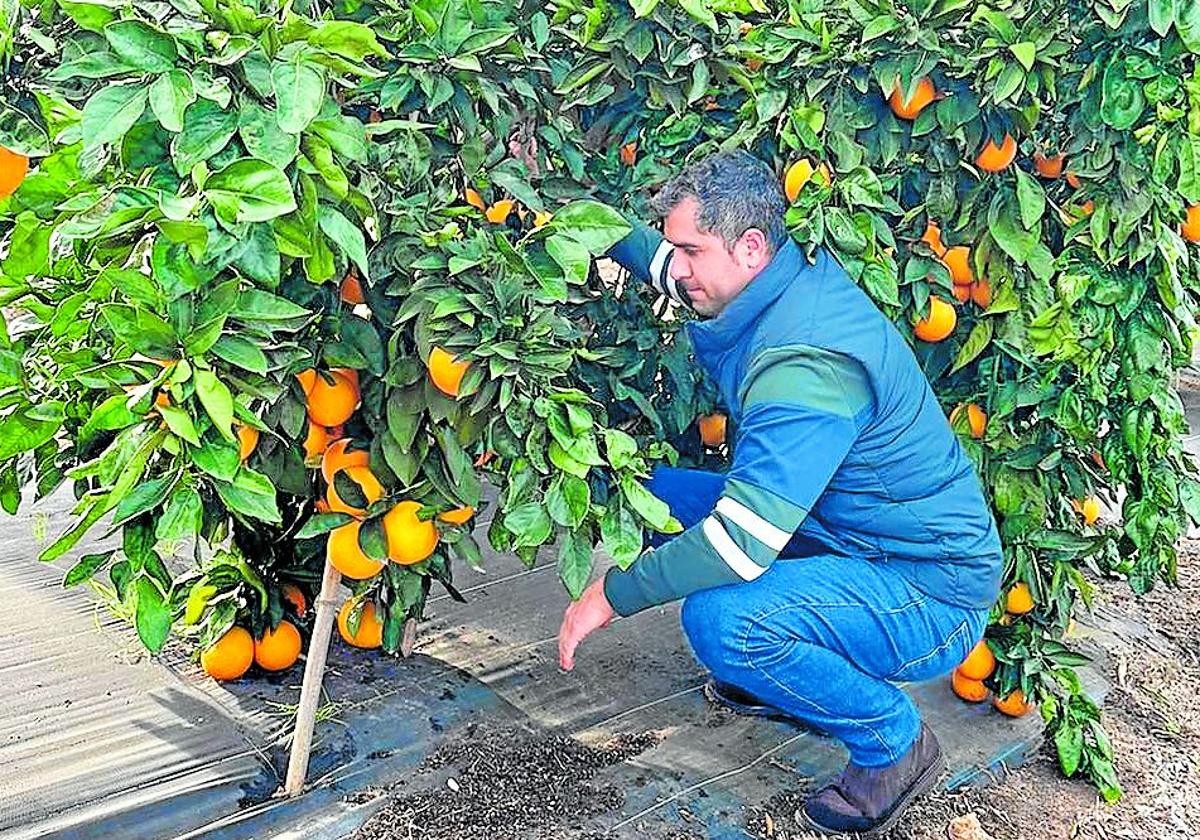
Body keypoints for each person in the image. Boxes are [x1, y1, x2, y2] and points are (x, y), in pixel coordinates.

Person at [556, 150, 1003, 836]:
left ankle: (894, 742)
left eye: (690, 251)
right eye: (676, 248)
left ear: (751, 247)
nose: (678, 268)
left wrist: (609, 597)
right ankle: (784, 665)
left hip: (927, 593)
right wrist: (560, 213)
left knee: (721, 619)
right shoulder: (769, 278)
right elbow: (663, 262)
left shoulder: (806, 366)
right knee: (642, 495)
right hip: (843, 534)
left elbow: (739, 544)